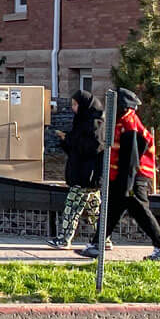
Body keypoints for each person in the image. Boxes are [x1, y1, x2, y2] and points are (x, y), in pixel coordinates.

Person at [80, 88, 160, 261]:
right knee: (111, 210)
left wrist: (127, 186)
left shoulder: (130, 126)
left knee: (140, 211)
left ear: (122, 106)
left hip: (134, 177)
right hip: (122, 176)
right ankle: (96, 245)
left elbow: (131, 160)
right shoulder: (123, 122)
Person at [50, 89, 104, 250]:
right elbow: (75, 147)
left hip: (86, 174)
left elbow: (92, 147)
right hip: (85, 174)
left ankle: (64, 238)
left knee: (72, 206)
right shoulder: (81, 122)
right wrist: (66, 140)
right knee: (94, 209)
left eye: (75, 104)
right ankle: (103, 239)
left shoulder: (95, 123)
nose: (73, 108)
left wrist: (70, 139)